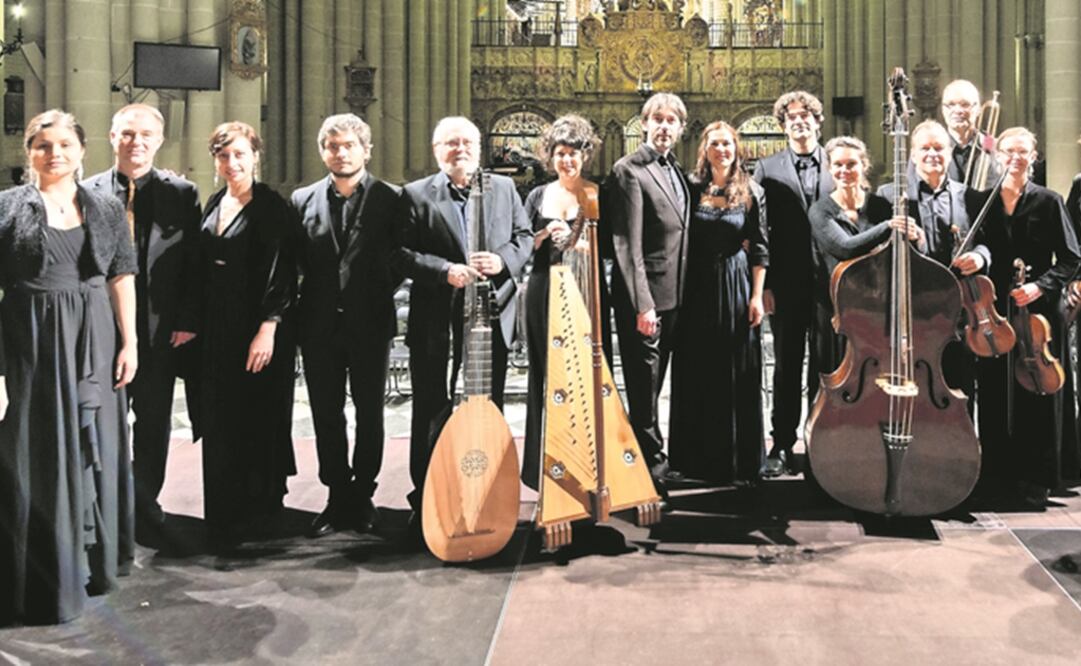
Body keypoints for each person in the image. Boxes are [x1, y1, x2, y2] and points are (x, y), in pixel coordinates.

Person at [0, 109, 137, 624]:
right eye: (42, 145)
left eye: (64, 145)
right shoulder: (7, 206)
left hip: (94, 337)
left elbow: (122, 276)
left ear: (82, 151)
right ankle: (34, 572)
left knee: (93, 445)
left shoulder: (105, 207)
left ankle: (92, 562)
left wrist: (130, 345)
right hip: (26, 339)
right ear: (28, 152)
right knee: (29, 448)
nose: (54, 153)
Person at [392, 116, 532, 523]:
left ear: (480, 146)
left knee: (489, 407)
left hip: (492, 315)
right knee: (432, 407)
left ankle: (488, 488)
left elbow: (524, 237)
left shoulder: (504, 188)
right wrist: (443, 270)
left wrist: (502, 260)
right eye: (451, 143)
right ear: (437, 150)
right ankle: (428, 495)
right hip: (437, 315)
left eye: (468, 141)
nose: (461, 149)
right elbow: (400, 253)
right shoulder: (416, 194)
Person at [83, 104, 202, 539]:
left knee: (153, 423)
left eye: (146, 135)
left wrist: (187, 319)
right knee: (104, 422)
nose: (137, 143)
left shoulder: (182, 192)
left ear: (159, 140)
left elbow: (193, 262)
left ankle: (145, 502)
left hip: (159, 328)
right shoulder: (87, 192)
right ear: (112, 138)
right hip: (101, 329)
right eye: (128, 134)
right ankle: (108, 504)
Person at [291, 114, 400, 538]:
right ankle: (337, 494)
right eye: (332, 146)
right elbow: (297, 260)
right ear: (323, 151)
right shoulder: (302, 199)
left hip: (370, 322)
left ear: (366, 149)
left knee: (370, 413)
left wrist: (368, 294)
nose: (340, 152)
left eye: (349, 145)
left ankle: (364, 492)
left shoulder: (391, 199)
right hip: (318, 324)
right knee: (326, 414)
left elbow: (398, 258)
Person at [198, 122, 297, 551]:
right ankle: (225, 506)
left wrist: (268, 326)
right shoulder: (215, 201)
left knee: (259, 414)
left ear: (256, 156)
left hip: (260, 328)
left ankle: (260, 510)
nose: (232, 163)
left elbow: (283, 270)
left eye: (240, 154)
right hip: (218, 328)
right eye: (223, 156)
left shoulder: (272, 206)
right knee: (221, 414)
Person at [969, 127, 1080, 506]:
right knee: (995, 389)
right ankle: (996, 472)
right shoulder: (982, 202)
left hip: (1038, 313)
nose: (1015, 158)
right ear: (997, 156)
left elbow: (1071, 258)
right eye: (1008, 151)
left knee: (1037, 392)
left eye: (1023, 152)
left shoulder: (1049, 201)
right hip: (993, 310)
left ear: (1034, 157)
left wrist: (1040, 286)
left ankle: (1037, 476)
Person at [668, 121, 768, 485]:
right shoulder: (691, 188)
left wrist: (757, 296)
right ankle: (693, 460)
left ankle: (738, 462)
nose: (722, 150)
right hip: (695, 286)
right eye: (715, 144)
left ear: (736, 148)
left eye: (727, 144)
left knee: (735, 368)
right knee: (695, 368)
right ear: (704, 149)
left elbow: (759, 246)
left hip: (736, 281)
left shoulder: (752, 190)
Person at [605, 92, 690, 494]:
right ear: (643, 124)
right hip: (648, 302)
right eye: (657, 119)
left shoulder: (675, 169)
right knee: (644, 388)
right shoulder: (628, 170)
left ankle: (652, 458)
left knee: (660, 385)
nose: (664, 126)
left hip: (676, 297)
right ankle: (645, 465)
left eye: (671, 120)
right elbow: (627, 245)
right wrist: (643, 304)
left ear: (680, 128)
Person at [876, 119, 990, 403]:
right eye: (924, 148)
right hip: (912, 306)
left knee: (961, 382)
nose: (932, 154)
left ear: (949, 152)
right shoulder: (889, 195)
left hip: (959, 306)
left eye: (939, 148)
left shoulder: (970, 197)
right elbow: (877, 251)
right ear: (912, 155)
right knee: (914, 385)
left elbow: (990, 243)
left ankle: (960, 442)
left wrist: (979, 256)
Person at [752, 90, 834, 478]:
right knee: (786, 365)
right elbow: (760, 230)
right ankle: (781, 444)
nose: (799, 121)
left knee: (827, 364)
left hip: (833, 285)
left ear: (818, 121)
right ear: (782, 126)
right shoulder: (767, 170)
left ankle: (821, 442)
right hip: (785, 284)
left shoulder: (839, 163)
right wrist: (764, 284)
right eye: (791, 117)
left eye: (806, 115)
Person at [522, 114, 601, 490]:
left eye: (573, 153)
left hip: (585, 290)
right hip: (543, 289)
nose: (567, 160)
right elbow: (520, 244)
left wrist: (582, 243)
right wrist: (541, 235)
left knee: (585, 375)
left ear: (585, 156)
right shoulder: (537, 195)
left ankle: (586, 458)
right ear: (550, 157)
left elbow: (614, 247)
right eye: (560, 153)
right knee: (545, 373)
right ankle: (544, 462)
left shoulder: (596, 193)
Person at [809, 136, 924, 375]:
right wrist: (888, 226)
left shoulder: (882, 205)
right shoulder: (820, 210)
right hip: (837, 309)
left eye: (851, 164)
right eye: (838, 165)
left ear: (863, 166)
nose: (844, 170)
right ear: (829, 168)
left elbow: (911, 255)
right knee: (834, 375)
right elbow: (844, 248)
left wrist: (916, 238)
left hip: (878, 306)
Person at [938, 79, 1002, 186]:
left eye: (965, 105)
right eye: (950, 105)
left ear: (979, 109)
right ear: (942, 109)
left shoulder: (991, 143)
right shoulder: (932, 148)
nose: (958, 110)